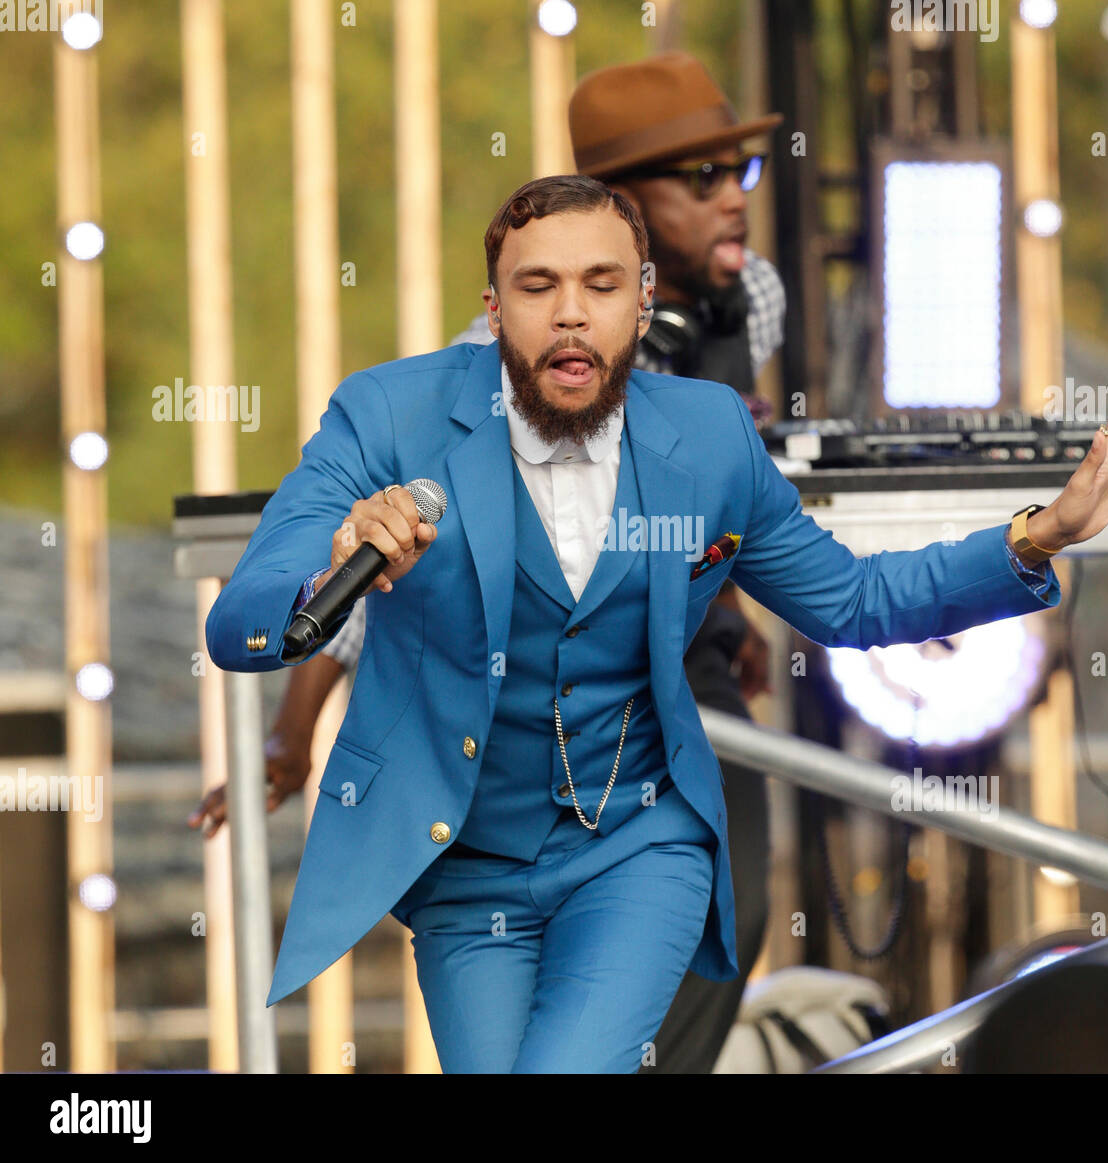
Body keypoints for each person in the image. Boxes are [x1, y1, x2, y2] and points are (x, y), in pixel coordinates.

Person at [203, 172, 1108, 1073]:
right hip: (463, 863)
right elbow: (243, 616)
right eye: (537, 287)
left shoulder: (706, 434)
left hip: (636, 844)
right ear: (494, 311)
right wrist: (328, 565)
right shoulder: (388, 414)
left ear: (642, 300)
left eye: (601, 283)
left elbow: (853, 602)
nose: (571, 311)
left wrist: (1041, 536)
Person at [193, 51, 787, 1073]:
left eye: (742, 171)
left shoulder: (757, 298)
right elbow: (404, 567)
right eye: (702, 178)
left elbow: (701, 484)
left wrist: (725, 593)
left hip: (664, 663)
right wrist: (296, 728)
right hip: (503, 684)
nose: (734, 200)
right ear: (622, 206)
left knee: (730, 897)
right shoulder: (501, 359)